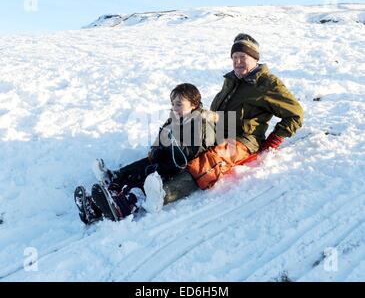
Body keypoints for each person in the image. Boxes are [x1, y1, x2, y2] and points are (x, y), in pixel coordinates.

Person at [156, 33, 304, 199]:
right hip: (219, 130)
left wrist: (275, 139)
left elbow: (296, 114)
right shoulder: (232, 79)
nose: (237, 62)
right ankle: (137, 177)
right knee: (183, 145)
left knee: (211, 160)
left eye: (242, 57)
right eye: (234, 57)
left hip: (243, 140)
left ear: (255, 59)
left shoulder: (268, 84)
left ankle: (164, 193)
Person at [74, 83, 216, 224]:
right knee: (140, 167)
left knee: (144, 181)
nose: (174, 108)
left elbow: (190, 154)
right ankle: (95, 207)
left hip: (178, 169)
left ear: (194, 104)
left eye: (179, 104)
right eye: (173, 104)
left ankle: (124, 206)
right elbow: (162, 134)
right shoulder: (176, 117)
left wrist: (171, 144)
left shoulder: (199, 123)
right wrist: (156, 149)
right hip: (165, 159)